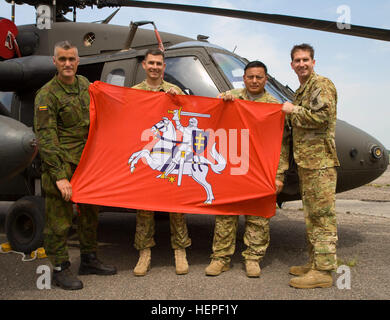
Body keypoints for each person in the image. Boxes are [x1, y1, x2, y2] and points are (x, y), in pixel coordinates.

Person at [34, 41, 117, 290]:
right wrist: (59, 176)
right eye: (62, 59)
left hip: (87, 165)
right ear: (55, 62)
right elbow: (47, 139)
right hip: (63, 166)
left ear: (78, 61)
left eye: (71, 59)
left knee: (90, 215)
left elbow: (110, 103)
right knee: (59, 221)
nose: (67, 64)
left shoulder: (84, 85)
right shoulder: (46, 94)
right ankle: (60, 268)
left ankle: (89, 259)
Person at [205, 61, 284, 278]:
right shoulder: (233, 96)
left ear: (265, 79)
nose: (255, 81)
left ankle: (253, 258)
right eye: (250, 77)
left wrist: (278, 175)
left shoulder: (273, 106)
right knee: (225, 215)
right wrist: (220, 101)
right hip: (233, 167)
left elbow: (281, 144)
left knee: (257, 215)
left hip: (260, 170)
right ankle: (220, 258)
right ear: (244, 78)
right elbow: (209, 115)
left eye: (259, 77)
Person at [280, 43, 340, 289]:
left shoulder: (321, 85)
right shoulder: (302, 90)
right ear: (292, 64)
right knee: (311, 216)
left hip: (321, 164)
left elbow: (322, 117)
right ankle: (315, 262)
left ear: (313, 62)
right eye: (297, 60)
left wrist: (293, 110)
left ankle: (323, 272)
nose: (302, 64)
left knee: (322, 217)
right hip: (309, 163)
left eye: (306, 59)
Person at [131, 48, 191, 276]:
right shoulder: (134, 93)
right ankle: (144, 252)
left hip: (170, 155)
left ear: (163, 67)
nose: (155, 67)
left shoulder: (173, 91)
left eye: (159, 64)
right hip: (148, 153)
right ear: (144, 65)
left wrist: (181, 100)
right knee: (144, 207)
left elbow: (189, 117)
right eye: (151, 63)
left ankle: (180, 249)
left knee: (176, 205)